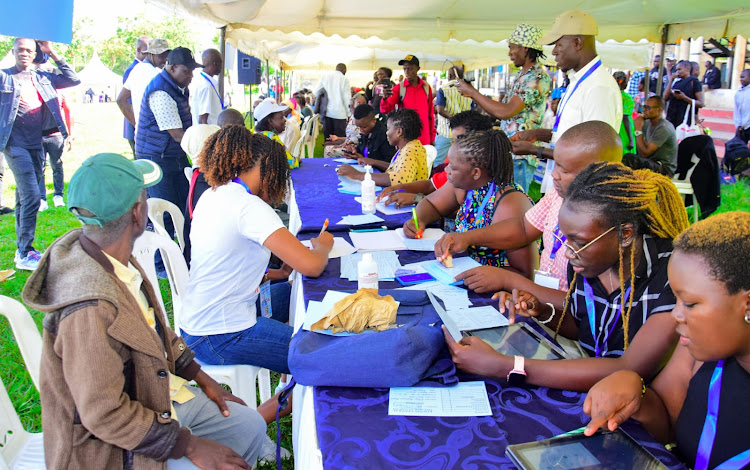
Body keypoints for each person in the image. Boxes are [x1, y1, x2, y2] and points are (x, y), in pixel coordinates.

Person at [24, 153, 266, 469]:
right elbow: (105, 413)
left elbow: (151, 333)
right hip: (112, 449)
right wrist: (189, 445)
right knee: (224, 458)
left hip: (157, 396)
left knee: (249, 427)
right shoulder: (89, 307)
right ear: (138, 213)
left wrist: (202, 378)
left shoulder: (112, 256)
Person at [444, 161, 689, 392]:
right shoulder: (588, 257)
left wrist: (507, 366)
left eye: (577, 241)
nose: (568, 252)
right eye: (565, 238)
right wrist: (542, 311)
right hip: (591, 382)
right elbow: (586, 329)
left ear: (625, 235)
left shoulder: (672, 276)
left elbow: (629, 368)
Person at [583, 211, 750, 470]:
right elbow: (667, 425)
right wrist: (636, 390)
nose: (676, 314)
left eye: (691, 303)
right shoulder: (698, 351)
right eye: (676, 300)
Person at [181, 126, 333, 377]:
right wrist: (323, 247)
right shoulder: (248, 206)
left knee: (294, 293)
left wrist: (279, 272)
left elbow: (227, 262)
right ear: (266, 167)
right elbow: (313, 266)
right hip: (221, 335)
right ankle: (266, 413)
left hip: (201, 323)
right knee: (320, 354)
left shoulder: (214, 193)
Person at [435, 121, 622, 296]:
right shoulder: (557, 196)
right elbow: (524, 228)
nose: (554, 175)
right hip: (544, 302)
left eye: (564, 171)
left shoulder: (606, 222)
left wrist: (509, 280)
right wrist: (466, 238)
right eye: (555, 164)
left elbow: (578, 306)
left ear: (602, 172)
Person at [403, 130, 537, 276]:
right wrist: (420, 220)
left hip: (493, 288)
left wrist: (485, 274)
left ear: (475, 173)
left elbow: (525, 273)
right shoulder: (467, 187)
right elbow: (431, 203)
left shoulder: (509, 203)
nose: (446, 170)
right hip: (462, 273)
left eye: (452, 167)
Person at [0, 38, 80, 271]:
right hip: (14, 145)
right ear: (13, 51)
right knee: (32, 196)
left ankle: (22, 250)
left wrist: (51, 52)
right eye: (20, 50)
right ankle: (25, 251)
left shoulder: (43, 77)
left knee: (23, 198)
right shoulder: (4, 77)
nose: (24, 53)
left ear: (35, 53)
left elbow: (74, 79)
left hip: (37, 143)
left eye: (29, 50)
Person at [510, 10, 622, 163]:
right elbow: (570, 135)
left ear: (577, 43)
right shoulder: (578, 80)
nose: (554, 52)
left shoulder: (599, 87)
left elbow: (593, 152)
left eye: (558, 45)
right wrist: (536, 134)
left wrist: (537, 150)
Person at [455, 23, 550, 191]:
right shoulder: (522, 75)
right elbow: (501, 111)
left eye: (512, 48)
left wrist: (473, 92)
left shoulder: (536, 77)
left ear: (525, 48)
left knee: (513, 203)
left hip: (521, 156)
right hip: (510, 153)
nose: (509, 53)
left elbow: (506, 112)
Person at [136, 47, 201, 234]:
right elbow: (178, 135)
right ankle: (161, 262)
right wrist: (205, 152)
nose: (191, 76)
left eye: (192, 71)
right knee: (164, 213)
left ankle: (184, 256)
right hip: (157, 158)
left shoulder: (179, 87)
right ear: (171, 68)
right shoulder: (160, 91)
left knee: (185, 207)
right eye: (186, 71)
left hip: (175, 155)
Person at [377, 110, 493, 209]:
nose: (453, 146)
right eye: (453, 141)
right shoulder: (455, 164)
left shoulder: (488, 179)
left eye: (459, 141)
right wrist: (398, 188)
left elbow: (451, 208)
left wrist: (416, 198)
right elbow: (430, 185)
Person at [336, 108, 428, 186]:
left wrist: (358, 175)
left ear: (399, 132)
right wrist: (371, 161)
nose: (386, 133)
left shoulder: (410, 151)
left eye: (388, 129)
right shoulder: (407, 148)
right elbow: (395, 169)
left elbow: (398, 179)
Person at [117, 38, 171, 135]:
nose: (165, 60)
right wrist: (137, 124)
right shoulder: (156, 75)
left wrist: (138, 125)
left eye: (166, 56)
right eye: (161, 56)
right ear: (151, 54)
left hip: (143, 134)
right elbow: (121, 99)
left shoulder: (136, 69)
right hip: (155, 135)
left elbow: (121, 99)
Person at [380, 55, 435, 146]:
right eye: (405, 69)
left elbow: (430, 114)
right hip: (406, 138)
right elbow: (386, 109)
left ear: (418, 69)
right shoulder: (399, 88)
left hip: (424, 138)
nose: (407, 72)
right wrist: (385, 99)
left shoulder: (426, 87)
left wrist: (432, 137)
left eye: (410, 68)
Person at [623, 96, 678, 176]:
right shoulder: (647, 123)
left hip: (664, 168)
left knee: (629, 158)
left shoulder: (663, 128)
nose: (644, 110)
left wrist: (638, 130)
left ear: (659, 110)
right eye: (644, 107)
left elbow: (645, 153)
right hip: (651, 161)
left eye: (648, 108)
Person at [433, 65, 475, 166]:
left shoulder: (443, 89)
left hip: (445, 132)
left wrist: (454, 119)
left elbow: (440, 110)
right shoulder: (469, 89)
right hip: (464, 133)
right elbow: (473, 110)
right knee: (460, 163)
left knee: (439, 163)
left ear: (450, 75)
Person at [39, 90, 73, 209]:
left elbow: (68, 112)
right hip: (38, 135)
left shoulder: (59, 92)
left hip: (56, 135)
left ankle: (58, 195)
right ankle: (41, 198)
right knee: (40, 168)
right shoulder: (35, 91)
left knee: (57, 165)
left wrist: (70, 134)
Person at [122, 36, 150, 154]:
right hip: (136, 128)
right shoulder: (132, 70)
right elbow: (127, 102)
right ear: (139, 50)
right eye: (148, 50)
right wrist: (138, 125)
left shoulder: (146, 68)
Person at [253, 97, 298, 168]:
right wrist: (296, 160)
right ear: (270, 121)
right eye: (281, 117)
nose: (284, 120)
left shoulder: (254, 133)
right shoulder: (271, 137)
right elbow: (291, 163)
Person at [314, 63, 351, 139]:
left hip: (327, 112)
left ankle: (327, 150)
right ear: (344, 70)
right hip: (340, 114)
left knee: (328, 138)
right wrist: (349, 113)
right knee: (339, 139)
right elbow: (347, 98)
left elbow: (316, 91)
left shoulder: (325, 76)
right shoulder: (344, 79)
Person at [664, 60, 703, 129]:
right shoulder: (676, 83)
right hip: (672, 118)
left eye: (679, 69)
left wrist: (684, 98)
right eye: (676, 70)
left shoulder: (694, 81)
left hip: (685, 120)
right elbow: (665, 97)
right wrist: (671, 80)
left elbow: (700, 103)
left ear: (687, 69)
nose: (677, 72)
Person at [191, 48, 225, 125]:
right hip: (208, 133)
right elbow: (203, 119)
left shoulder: (202, 81)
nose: (222, 67)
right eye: (221, 64)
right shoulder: (206, 86)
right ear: (215, 64)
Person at [613, 71, 635, 154]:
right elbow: (625, 117)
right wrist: (631, 139)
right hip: (623, 131)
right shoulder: (626, 98)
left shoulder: (609, 96)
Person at [734, 69, 750, 144]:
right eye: (740, 77)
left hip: (748, 123)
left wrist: (746, 123)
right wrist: (738, 124)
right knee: (740, 147)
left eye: (743, 77)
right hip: (742, 125)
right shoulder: (738, 92)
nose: (741, 79)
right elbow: (737, 110)